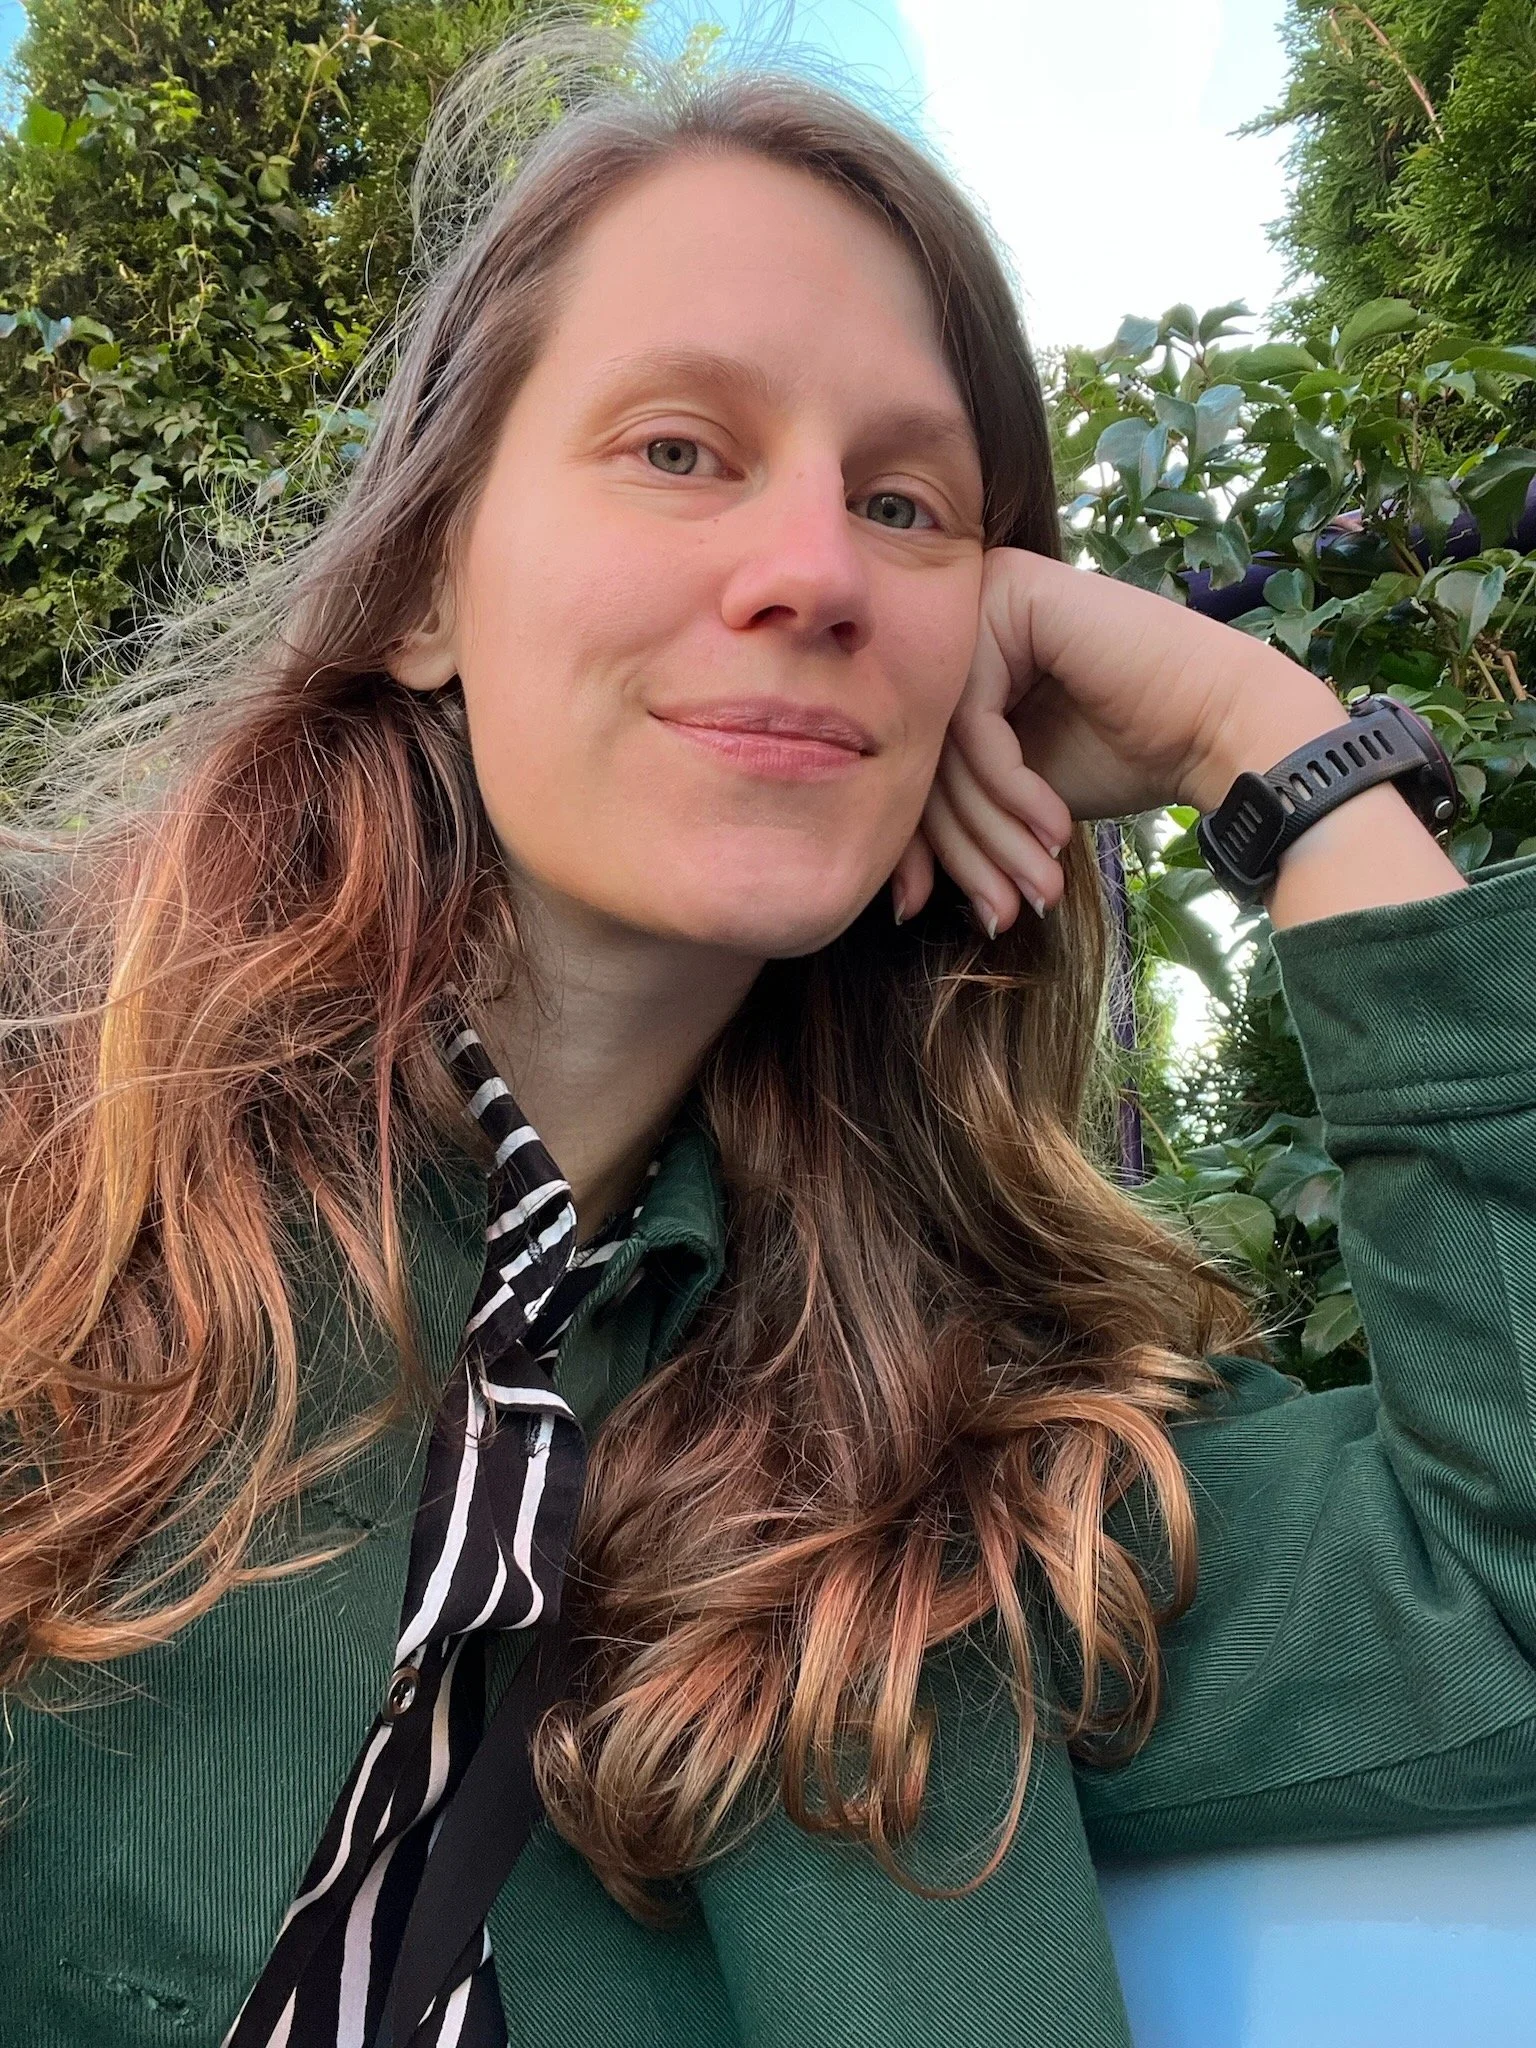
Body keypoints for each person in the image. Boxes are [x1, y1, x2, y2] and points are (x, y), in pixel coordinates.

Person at [2, 29, 1533, 2048]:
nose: (814, 571)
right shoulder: (59, 1167)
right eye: (678, 450)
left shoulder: (960, 1492)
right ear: (425, 584)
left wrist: (1274, 747)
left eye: (907, 505)